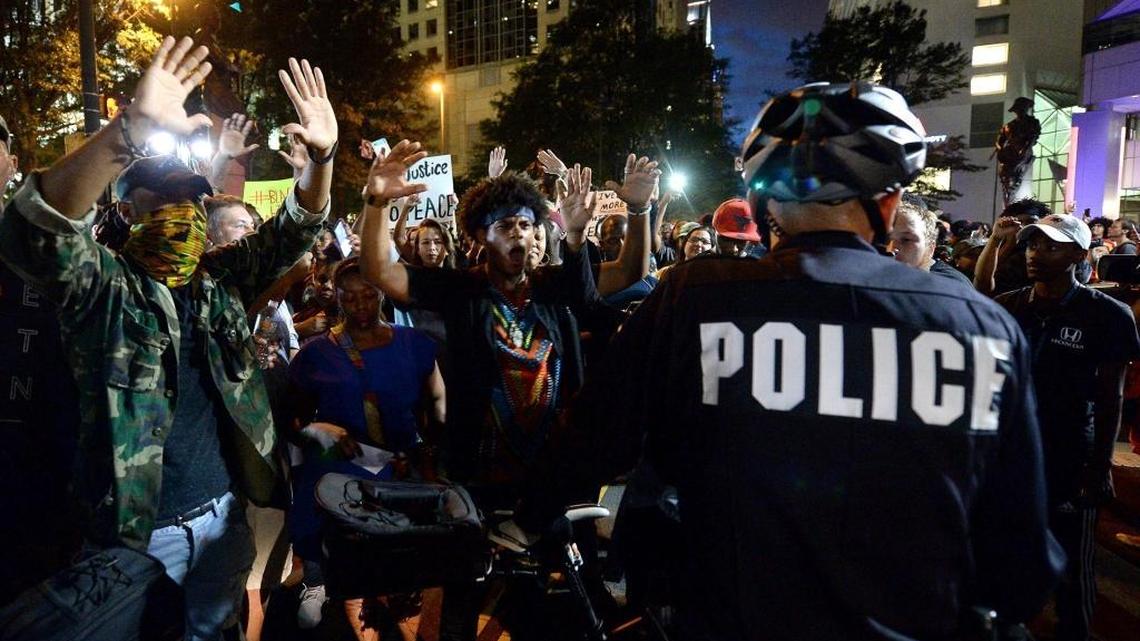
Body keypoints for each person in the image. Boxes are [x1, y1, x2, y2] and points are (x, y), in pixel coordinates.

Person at [523, 81, 1063, 641]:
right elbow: (1020, 569)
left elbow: (587, 448)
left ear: (762, 201)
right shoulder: (984, 328)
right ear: (889, 201)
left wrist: (529, 514)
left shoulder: (694, 299)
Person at [0, 38, 337, 640]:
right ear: (131, 210)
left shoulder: (219, 282)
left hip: (220, 520)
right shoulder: (105, 288)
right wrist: (128, 130)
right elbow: (37, 230)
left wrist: (322, 159)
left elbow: (296, 226)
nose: (188, 207)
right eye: (170, 198)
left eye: (195, 198)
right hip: (131, 538)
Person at [359, 142, 654, 641]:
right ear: (479, 236)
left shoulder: (557, 286)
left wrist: (640, 209)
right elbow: (381, 272)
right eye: (505, 226)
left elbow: (628, 273)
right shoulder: (461, 289)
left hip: (554, 474)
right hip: (481, 473)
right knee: (464, 589)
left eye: (526, 224)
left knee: (566, 597)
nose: (519, 234)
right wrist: (376, 204)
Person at [993, 214, 1140, 641]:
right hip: (1014, 453)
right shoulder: (1009, 306)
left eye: (1051, 246)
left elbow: (1111, 394)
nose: (1037, 254)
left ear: (1078, 254)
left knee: (1074, 568)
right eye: (1032, 245)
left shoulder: (1107, 315)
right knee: (1009, 557)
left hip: (1071, 451)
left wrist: (1100, 466)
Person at [288, 257, 444, 638]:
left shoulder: (414, 344)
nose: (360, 307)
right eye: (350, 298)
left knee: (400, 566)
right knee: (349, 558)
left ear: (381, 294)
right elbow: (291, 418)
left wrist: (432, 451)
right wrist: (317, 429)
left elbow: (437, 400)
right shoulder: (316, 353)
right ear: (338, 299)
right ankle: (319, 579)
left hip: (398, 468)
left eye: (368, 296)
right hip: (340, 466)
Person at [888, 194, 972, 285]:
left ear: (930, 248)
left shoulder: (950, 284)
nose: (892, 248)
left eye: (906, 240)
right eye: (885, 239)